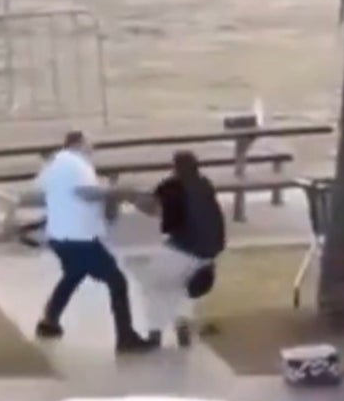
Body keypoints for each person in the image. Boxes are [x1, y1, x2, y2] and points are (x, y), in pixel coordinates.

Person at [32, 131, 157, 353]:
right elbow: (85, 193)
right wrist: (116, 192)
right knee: (117, 281)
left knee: (73, 275)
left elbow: (44, 192)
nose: (92, 148)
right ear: (78, 144)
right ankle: (125, 337)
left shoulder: (53, 164)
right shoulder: (76, 164)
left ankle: (49, 321)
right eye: (89, 144)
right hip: (80, 239)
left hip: (58, 237)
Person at [131, 151, 226, 347]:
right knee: (183, 287)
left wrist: (131, 197)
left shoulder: (172, 187)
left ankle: (155, 333)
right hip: (208, 254)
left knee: (154, 284)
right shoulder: (205, 184)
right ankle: (182, 323)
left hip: (183, 248)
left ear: (175, 167)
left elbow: (152, 208)